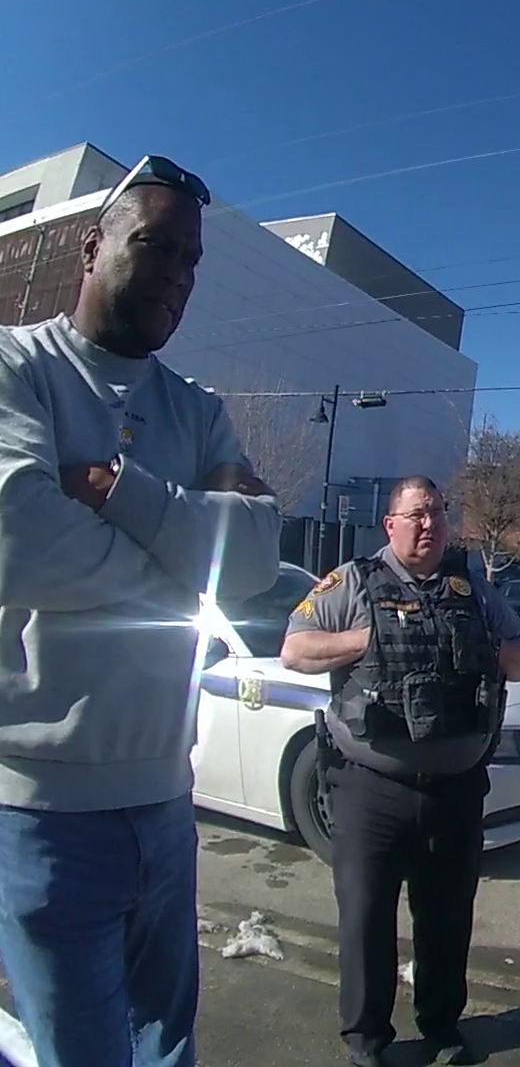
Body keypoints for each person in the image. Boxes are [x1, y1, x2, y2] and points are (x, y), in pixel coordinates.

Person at [0, 155, 282, 1067]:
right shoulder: (17, 366)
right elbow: (19, 539)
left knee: (170, 1048)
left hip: (166, 801)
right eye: (155, 246)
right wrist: (186, 553)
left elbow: (251, 562)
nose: (175, 276)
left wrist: (120, 491)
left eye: (191, 262)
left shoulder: (196, 409)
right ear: (94, 245)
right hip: (40, 812)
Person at [281, 476, 520, 1067]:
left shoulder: (472, 588)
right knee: (367, 918)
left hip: (455, 790)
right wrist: (371, 640)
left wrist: (474, 647)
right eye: (417, 515)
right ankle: (366, 1040)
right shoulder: (351, 582)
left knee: (447, 918)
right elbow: (295, 649)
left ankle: (442, 1027)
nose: (430, 525)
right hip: (371, 789)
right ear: (390, 524)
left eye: (439, 515)